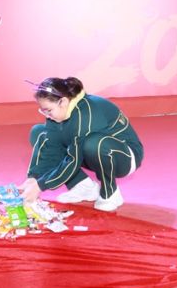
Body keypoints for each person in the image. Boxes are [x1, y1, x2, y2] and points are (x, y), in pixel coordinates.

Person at [22, 76, 145, 211]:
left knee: (94, 143)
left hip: (124, 157)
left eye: (49, 110)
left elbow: (74, 159)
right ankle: (83, 186)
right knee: (39, 132)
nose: (46, 115)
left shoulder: (86, 113)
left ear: (63, 102)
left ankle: (110, 192)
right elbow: (51, 147)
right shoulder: (61, 112)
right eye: (43, 110)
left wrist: (41, 186)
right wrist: (33, 178)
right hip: (89, 151)